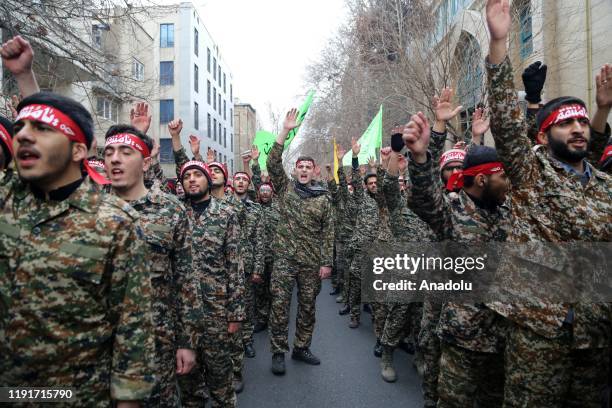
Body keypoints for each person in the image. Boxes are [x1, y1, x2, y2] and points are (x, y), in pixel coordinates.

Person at [484, 1, 611, 406]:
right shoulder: (531, 174)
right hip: (539, 331)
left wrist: (603, 107)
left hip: (594, 333)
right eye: (565, 123)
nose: (577, 129)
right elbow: (505, 122)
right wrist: (499, 42)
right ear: (542, 137)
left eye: (581, 122)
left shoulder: (604, 185)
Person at [0, 91, 156, 407]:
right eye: (19, 129)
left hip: (76, 394)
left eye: (43, 129)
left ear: (79, 150)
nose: (25, 136)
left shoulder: (116, 222)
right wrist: (24, 77)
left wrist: (128, 399)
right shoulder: (7, 200)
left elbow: (133, 322)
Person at [403, 109, 511, 407]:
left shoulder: (507, 212)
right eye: (448, 168)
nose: (453, 172)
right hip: (458, 326)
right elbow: (425, 198)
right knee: (436, 366)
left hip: (501, 333)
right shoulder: (452, 210)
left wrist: (477, 137)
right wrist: (423, 155)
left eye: (458, 167)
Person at [103, 124, 198, 406]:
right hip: (97, 346)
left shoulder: (170, 210)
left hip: (156, 343)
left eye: (125, 151)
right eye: (108, 152)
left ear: (146, 162)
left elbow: (186, 282)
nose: (115, 159)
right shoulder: (89, 209)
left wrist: (187, 342)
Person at [169, 120, 245, 408]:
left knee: (220, 382)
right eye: (186, 176)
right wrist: (175, 139)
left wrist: (235, 314)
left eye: (197, 175)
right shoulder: (174, 213)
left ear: (208, 181)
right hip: (184, 315)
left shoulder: (225, 215)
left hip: (216, 311)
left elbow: (235, 265)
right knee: (189, 386)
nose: (191, 180)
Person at [267, 108, 333, 375]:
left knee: (307, 308)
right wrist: (284, 131)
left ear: (314, 171)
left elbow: (329, 232)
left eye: (308, 167)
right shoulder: (285, 188)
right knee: (280, 306)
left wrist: (326, 263)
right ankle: (278, 351)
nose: (304, 170)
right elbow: (272, 163)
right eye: (300, 167)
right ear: (295, 170)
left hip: (310, 262)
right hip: (284, 259)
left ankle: (301, 347)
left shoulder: (323, 198)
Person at [228, 170, 265, 393]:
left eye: (244, 179)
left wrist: (258, 268)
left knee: (247, 306)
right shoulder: (223, 204)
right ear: (233, 183)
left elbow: (260, 240)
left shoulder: (255, 209)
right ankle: (232, 342)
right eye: (238, 179)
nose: (241, 182)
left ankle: (247, 340)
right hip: (226, 266)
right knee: (230, 308)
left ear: (248, 184)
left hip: (248, 264)